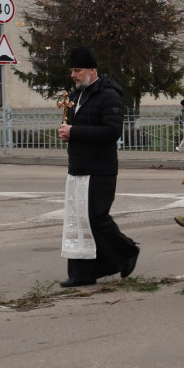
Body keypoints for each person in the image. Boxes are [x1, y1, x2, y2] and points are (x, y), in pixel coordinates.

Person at [57, 46, 140, 288]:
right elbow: (76, 129)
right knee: (78, 220)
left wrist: (75, 131)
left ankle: (127, 251)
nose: (73, 74)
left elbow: (112, 132)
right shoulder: (75, 97)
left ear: (92, 70)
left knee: (96, 217)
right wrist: (67, 134)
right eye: (72, 70)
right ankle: (82, 274)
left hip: (101, 169)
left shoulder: (109, 96)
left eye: (78, 70)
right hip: (78, 166)